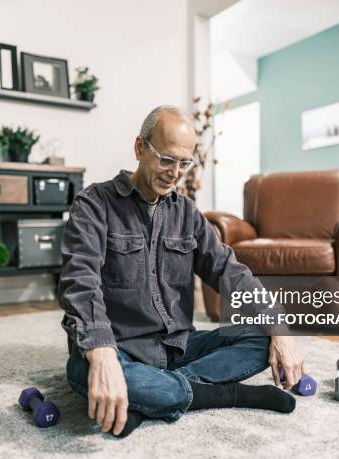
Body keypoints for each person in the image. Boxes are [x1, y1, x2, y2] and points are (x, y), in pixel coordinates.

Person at [58, 105, 305, 438]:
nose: (175, 173)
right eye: (166, 159)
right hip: (120, 350)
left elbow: (229, 271)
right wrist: (102, 355)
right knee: (84, 370)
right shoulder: (93, 205)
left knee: (262, 338)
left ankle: (151, 399)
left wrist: (280, 328)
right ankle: (226, 394)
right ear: (139, 148)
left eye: (185, 163)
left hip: (175, 348)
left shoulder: (187, 213)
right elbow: (80, 283)